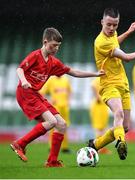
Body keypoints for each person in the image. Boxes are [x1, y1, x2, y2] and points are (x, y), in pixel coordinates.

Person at [10, 27, 104, 167]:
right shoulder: (35, 56)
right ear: (45, 41)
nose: (56, 49)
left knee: (61, 124)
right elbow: (20, 69)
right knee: (52, 121)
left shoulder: (53, 62)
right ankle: (20, 144)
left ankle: (52, 161)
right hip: (25, 93)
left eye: (58, 46)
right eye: (53, 45)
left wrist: (95, 74)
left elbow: (73, 72)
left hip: (35, 94)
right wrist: (24, 80)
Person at [88, 8, 135, 160]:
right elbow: (127, 57)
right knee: (119, 113)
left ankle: (95, 145)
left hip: (123, 84)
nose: (111, 28)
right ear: (102, 22)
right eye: (109, 24)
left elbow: (115, 43)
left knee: (124, 127)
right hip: (109, 84)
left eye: (115, 25)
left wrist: (129, 31)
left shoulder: (112, 35)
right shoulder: (100, 42)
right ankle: (121, 143)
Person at [40, 75, 72, 153]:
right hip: (55, 106)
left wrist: (68, 100)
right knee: (54, 126)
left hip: (65, 107)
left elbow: (69, 91)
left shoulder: (65, 79)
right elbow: (42, 92)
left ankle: (65, 147)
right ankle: (52, 147)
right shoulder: (51, 80)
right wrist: (47, 101)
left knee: (65, 126)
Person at [90, 77, 111, 154]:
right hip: (98, 106)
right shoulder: (99, 78)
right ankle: (98, 147)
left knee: (103, 128)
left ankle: (101, 147)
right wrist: (97, 97)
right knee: (99, 128)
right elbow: (92, 85)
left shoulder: (105, 79)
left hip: (103, 105)